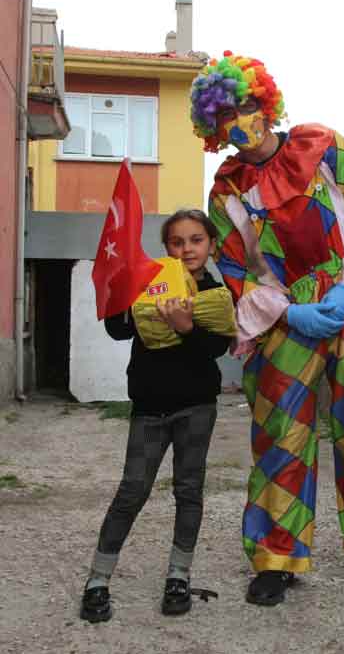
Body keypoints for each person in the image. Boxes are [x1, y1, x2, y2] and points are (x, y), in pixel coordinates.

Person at [190, 52, 344, 605]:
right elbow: (236, 269)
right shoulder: (226, 190)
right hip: (283, 316)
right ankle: (276, 557)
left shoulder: (324, 145)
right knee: (279, 436)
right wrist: (290, 312)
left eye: (244, 107)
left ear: (263, 102)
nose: (238, 123)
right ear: (213, 129)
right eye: (223, 119)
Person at [80, 209, 232, 622]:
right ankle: (98, 579)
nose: (187, 249)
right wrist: (119, 290)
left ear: (211, 245)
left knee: (189, 490)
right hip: (149, 408)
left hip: (196, 407)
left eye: (196, 240)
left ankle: (179, 575)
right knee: (132, 491)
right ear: (166, 247)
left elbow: (217, 349)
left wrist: (186, 325)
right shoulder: (151, 280)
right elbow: (118, 330)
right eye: (177, 242)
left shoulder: (215, 290)